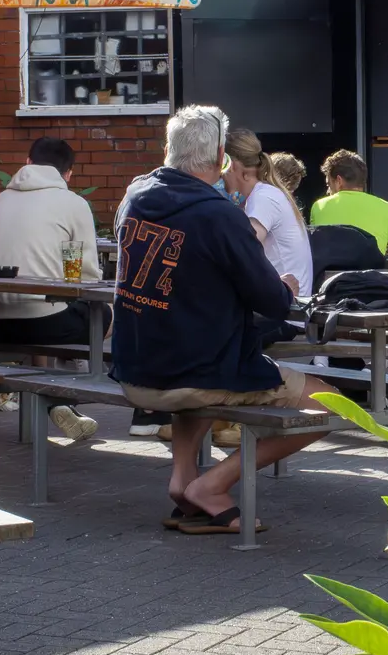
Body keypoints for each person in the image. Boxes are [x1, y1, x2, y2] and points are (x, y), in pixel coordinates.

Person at [112, 105, 328, 535]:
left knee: (196, 356)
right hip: (190, 368)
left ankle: (181, 483)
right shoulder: (219, 214)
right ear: (219, 161)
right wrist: (285, 284)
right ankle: (212, 486)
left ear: (169, 151)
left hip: (135, 365)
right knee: (326, 405)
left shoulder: (135, 195)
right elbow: (270, 302)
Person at [0, 137, 104, 441]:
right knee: (107, 313)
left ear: (27, 162)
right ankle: (61, 394)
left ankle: (56, 400)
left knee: (47, 308)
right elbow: (85, 276)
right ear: (69, 173)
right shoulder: (73, 203)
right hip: (45, 324)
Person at [224, 128, 313, 298]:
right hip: (284, 308)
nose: (219, 173)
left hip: (284, 315)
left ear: (232, 165)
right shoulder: (264, 194)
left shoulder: (263, 198)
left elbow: (242, 251)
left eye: (221, 163)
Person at [309, 149, 388, 258]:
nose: (328, 191)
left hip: (329, 274)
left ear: (339, 181)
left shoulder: (318, 207)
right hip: (372, 274)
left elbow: (312, 248)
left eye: (329, 185)